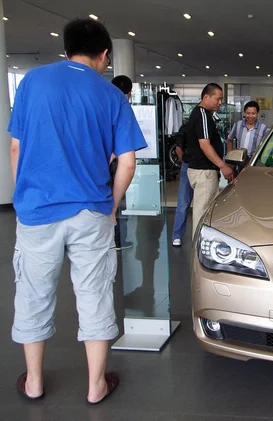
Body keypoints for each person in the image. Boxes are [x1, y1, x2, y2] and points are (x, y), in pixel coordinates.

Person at [8, 19, 147, 404]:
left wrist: (25, 198)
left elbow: (17, 149)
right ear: (104, 54)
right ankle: (95, 386)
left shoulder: (32, 84)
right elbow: (128, 163)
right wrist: (113, 206)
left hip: (37, 212)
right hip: (91, 212)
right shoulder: (111, 96)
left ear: (66, 48)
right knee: (95, 294)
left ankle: (34, 381)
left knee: (33, 295)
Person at [186, 83, 233, 234]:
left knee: (203, 211)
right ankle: (198, 252)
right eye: (217, 99)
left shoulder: (200, 114)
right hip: (204, 172)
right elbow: (205, 144)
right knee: (202, 214)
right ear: (206, 97)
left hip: (199, 170)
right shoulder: (203, 115)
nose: (220, 103)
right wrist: (222, 165)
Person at [110, 75, 133, 251]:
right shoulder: (121, 107)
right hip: (114, 164)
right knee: (116, 205)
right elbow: (128, 163)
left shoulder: (100, 104)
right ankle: (116, 240)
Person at [171, 124, 193, 247]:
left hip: (199, 166)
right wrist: (184, 162)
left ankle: (177, 236)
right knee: (183, 204)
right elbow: (178, 148)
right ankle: (177, 235)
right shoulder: (186, 128)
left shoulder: (206, 126)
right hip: (190, 165)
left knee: (184, 204)